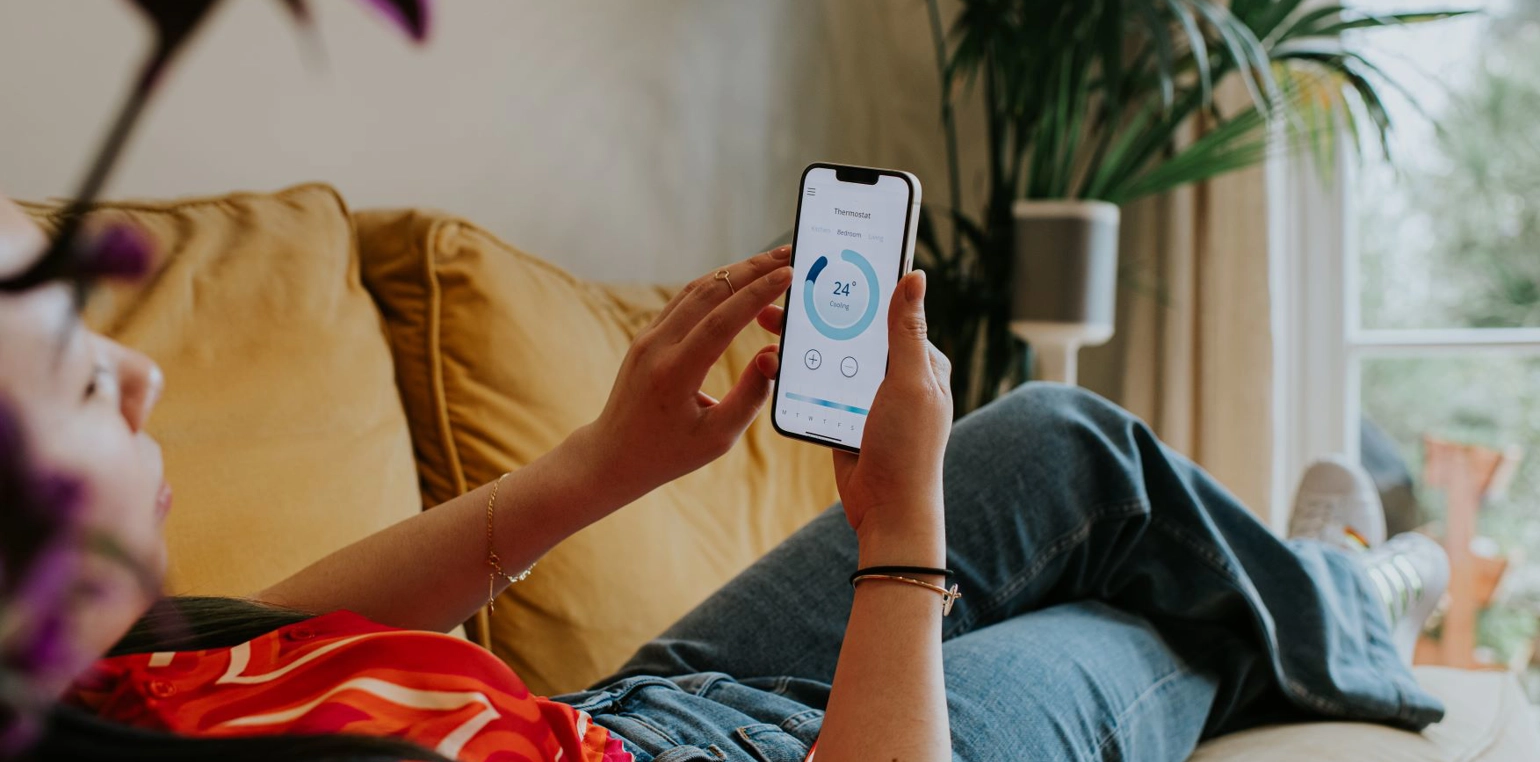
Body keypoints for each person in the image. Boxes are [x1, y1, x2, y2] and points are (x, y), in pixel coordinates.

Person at [0, 193, 1448, 762]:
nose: (145, 377)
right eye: (81, 377)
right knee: (1159, 623)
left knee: (1068, 436)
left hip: (623, 710)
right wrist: (902, 534)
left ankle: (1332, 581)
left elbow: (289, 626)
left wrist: (600, 463)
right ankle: (1364, 583)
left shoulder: (104, 679)